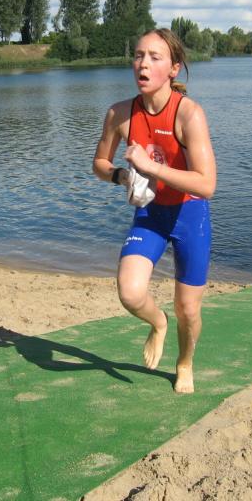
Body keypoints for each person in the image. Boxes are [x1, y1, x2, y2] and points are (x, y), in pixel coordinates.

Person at [92, 28, 217, 394]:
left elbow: (206, 184)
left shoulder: (189, 114)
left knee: (188, 310)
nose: (143, 64)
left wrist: (151, 168)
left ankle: (184, 362)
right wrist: (121, 176)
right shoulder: (120, 113)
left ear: (173, 68)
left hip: (190, 216)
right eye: (138, 56)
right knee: (130, 293)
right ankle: (158, 323)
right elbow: (98, 163)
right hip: (150, 215)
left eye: (154, 57)